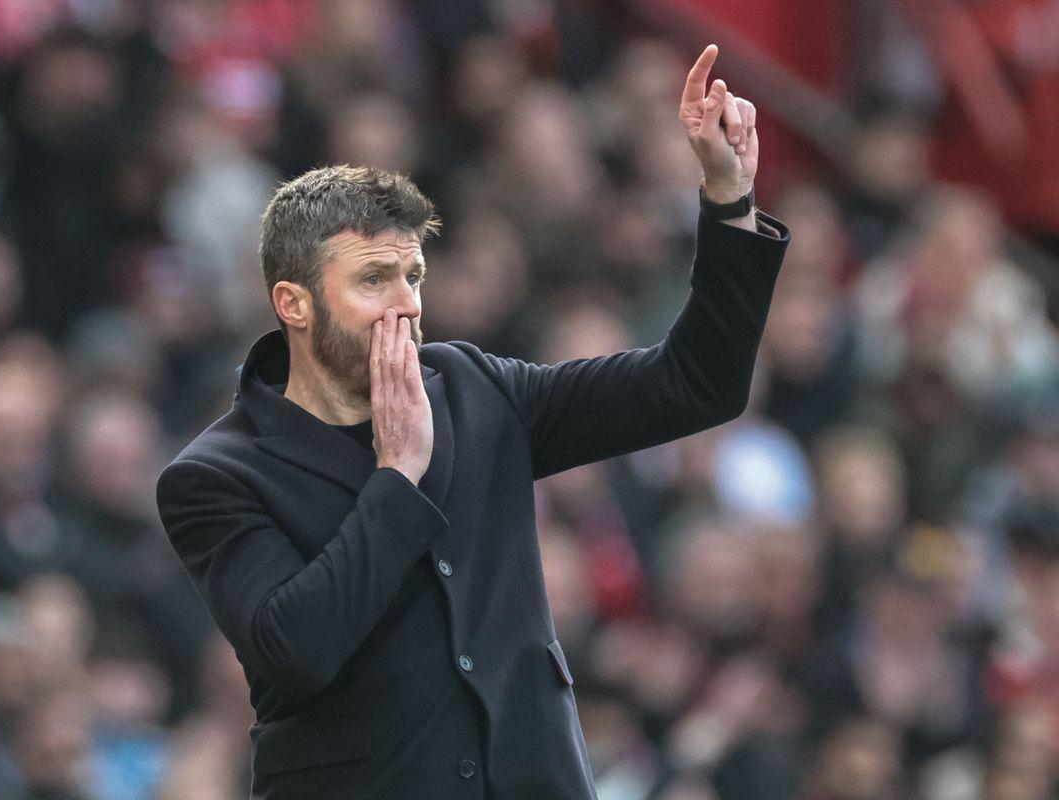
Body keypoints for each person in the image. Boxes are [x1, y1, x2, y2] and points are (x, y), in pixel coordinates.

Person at [156, 45, 789, 800]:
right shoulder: (214, 476)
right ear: (293, 303)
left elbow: (696, 386)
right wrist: (397, 476)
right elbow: (298, 652)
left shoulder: (477, 389)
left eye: (413, 276)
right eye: (373, 280)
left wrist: (728, 199)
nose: (407, 304)